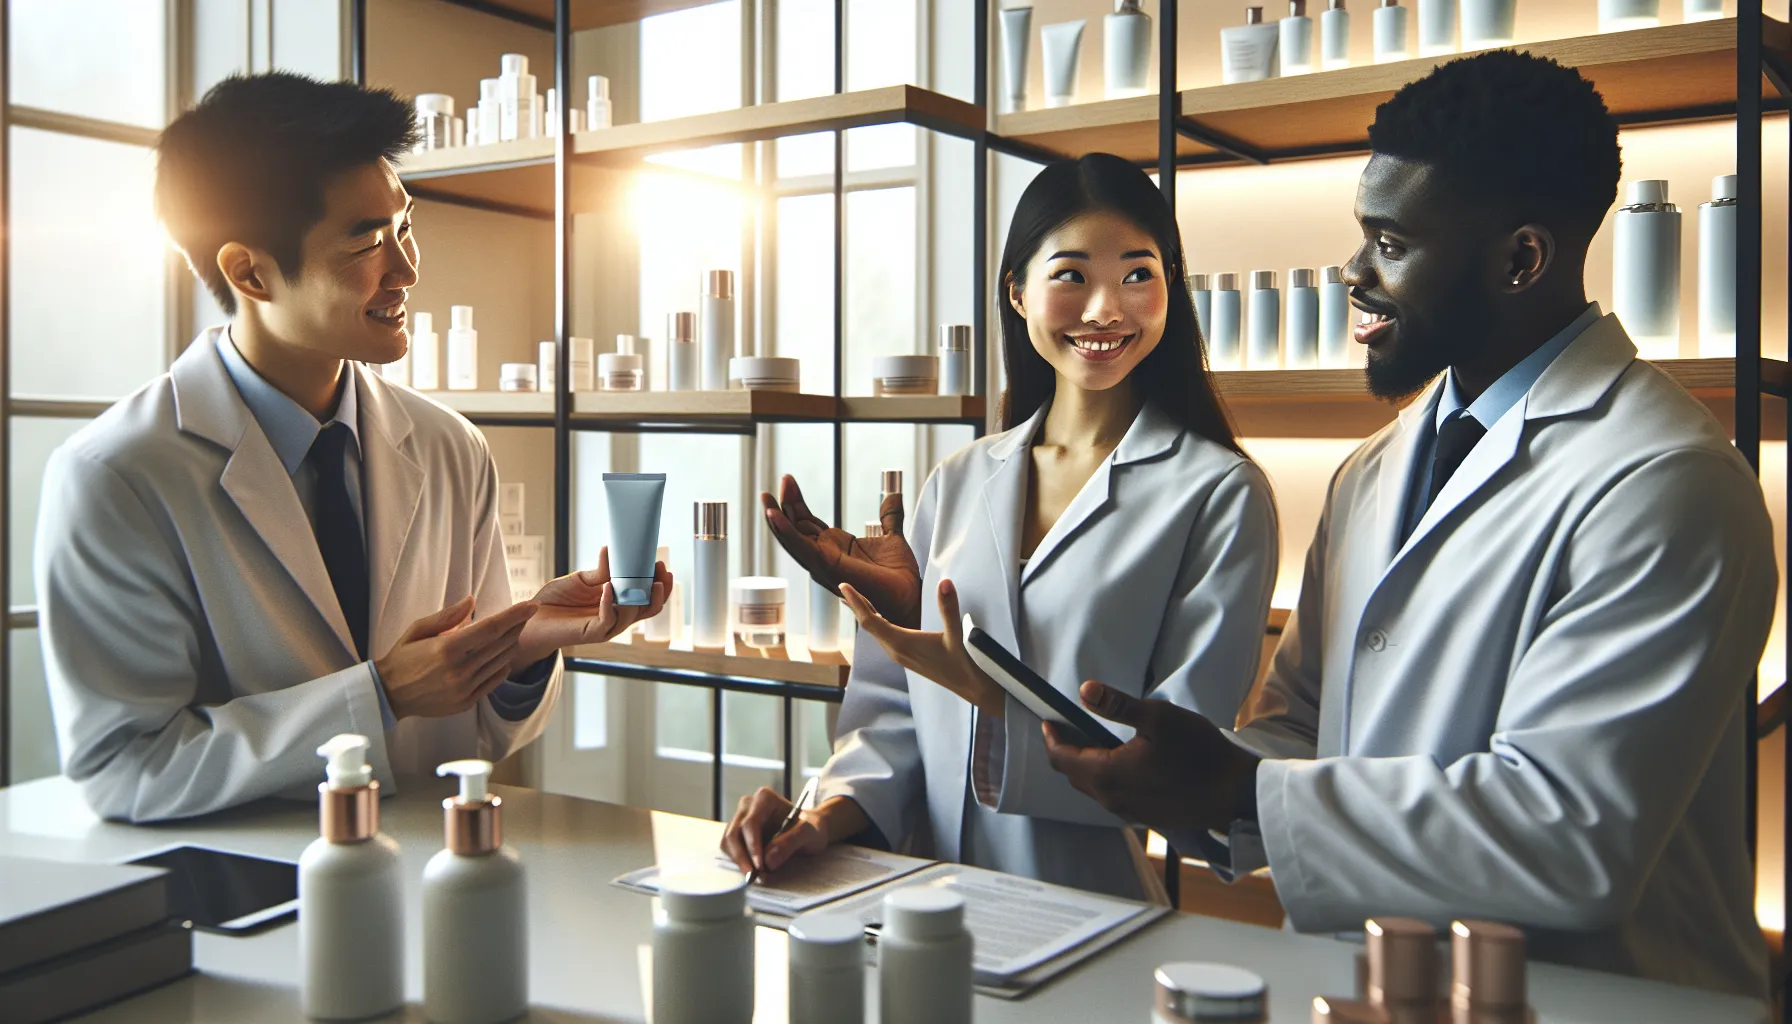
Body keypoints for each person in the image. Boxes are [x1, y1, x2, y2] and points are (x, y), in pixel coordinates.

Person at [1040, 52, 1774, 998]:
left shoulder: (1666, 483)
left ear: (1521, 259)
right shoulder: (1373, 470)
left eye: (1389, 242)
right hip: (1377, 989)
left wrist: (1242, 792)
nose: (1354, 272)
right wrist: (1194, 777)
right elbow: (1301, 725)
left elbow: (1571, 833)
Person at [37, 72, 671, 823]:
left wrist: (520, 652)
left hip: (429, 875)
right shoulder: (117, 477)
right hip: (246, 902)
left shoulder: (448, 447)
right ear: (249, 271)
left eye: (406, 227)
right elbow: (126, 768)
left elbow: (483, 735)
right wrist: (382, 695)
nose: (407, 270)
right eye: (369, 242)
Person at [721, 154, 1280, 900]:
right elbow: (891, 713)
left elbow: (1179, 762)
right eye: (1072, 275)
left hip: (1085, 909)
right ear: (1018, 292)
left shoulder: (1219, 494)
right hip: (914, 899)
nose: (1106, 309)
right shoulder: (958, 479)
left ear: (1171, 287)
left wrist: (992, 701)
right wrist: (822, 816)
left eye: (1138, 274)